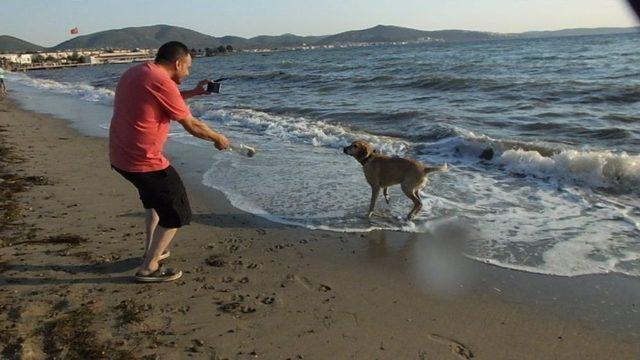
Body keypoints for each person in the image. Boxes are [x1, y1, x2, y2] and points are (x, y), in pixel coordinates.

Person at [109, 41, 230, 283]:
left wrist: (194, 93)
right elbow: (193, 126)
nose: (188, 72)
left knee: (154, 203)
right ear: (178, 63)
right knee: (177, 213)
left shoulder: (139, 71)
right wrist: (218, 138)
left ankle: (153, 251)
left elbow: (164, 98)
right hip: (144, 161)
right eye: (188, 67)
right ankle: (149, 268)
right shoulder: (161, 81)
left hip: (121, 155)